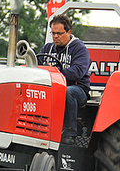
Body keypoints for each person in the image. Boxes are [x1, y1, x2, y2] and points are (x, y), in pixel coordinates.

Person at [37, 14, 90, 145]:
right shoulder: (47, 49)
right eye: (53, 33)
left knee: (67, 91)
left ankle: (70, 134)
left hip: (77, 89)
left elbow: (77, 72)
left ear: (68, 32)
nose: (55, 36)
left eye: (59, 33)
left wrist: (54, 71)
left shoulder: (79, 49)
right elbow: (36, 66)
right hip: (51, 88)